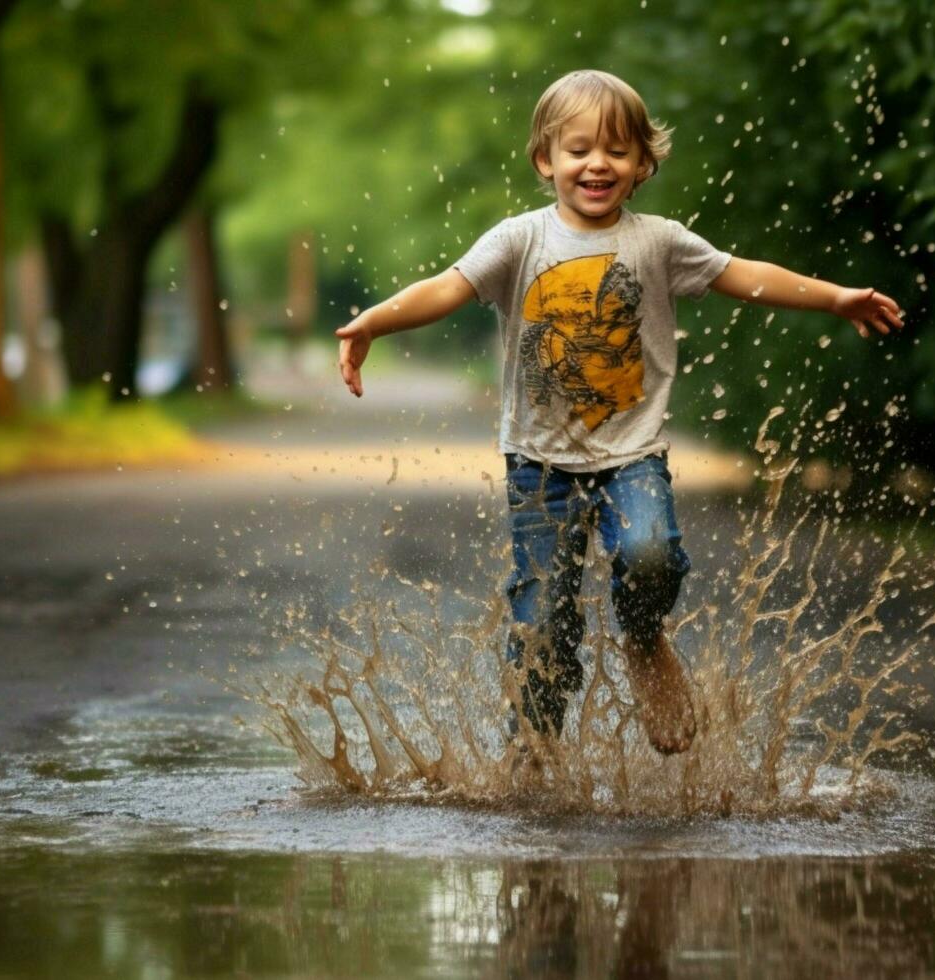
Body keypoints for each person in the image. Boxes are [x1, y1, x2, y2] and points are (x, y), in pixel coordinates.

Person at [337, 69, 904, 756]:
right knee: (543, 621)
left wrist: (835, 297)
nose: (596, 163)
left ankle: (643, 639)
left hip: (631, 455)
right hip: (538, 467)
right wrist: (374, 323)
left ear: (641, 164)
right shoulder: (518, 240)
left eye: (616, 150)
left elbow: (746, 275)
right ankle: (533, 750)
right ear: (546, 160)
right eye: (578, 150)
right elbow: (446, 289)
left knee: (649, 555)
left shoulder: (658, 242)